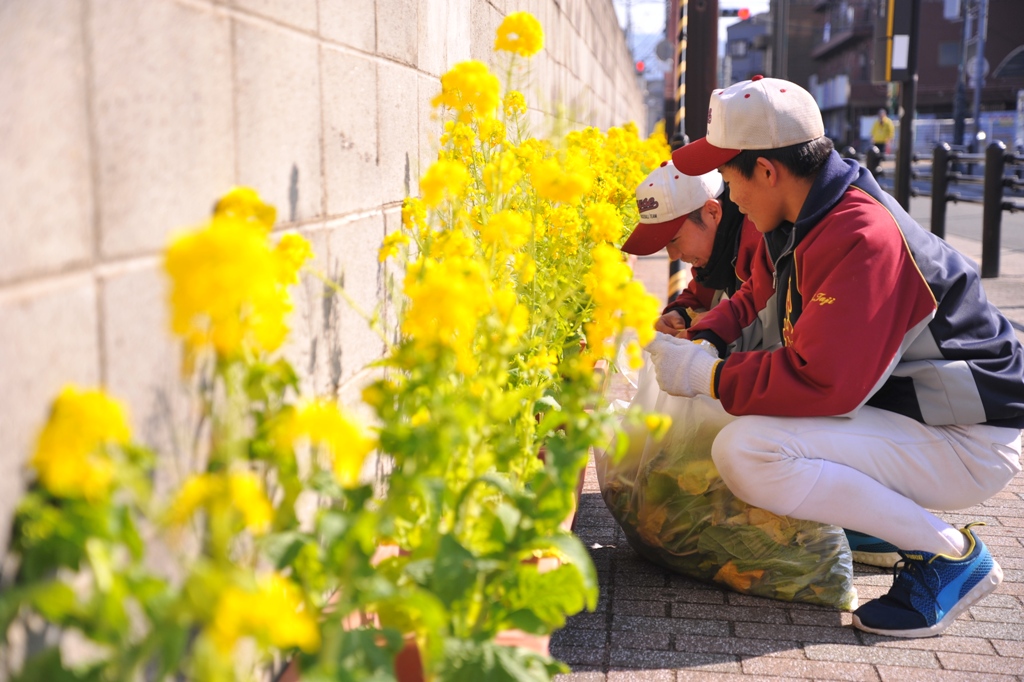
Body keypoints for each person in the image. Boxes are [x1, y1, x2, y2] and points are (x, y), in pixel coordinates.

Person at [647, 75, 1024, 638]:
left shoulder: (860, 234)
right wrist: (712, 340)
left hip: (971, 439)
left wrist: (707, 374)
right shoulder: (812, 209)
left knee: (750, 450)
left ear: (767, 171)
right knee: (749, 421)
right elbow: (759, 293)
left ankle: (950, 558)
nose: (729, 194)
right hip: (916, 415)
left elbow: (823, 382)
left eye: (728, 177)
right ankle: (880, 527)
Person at [620, 161, 761, 333]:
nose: (673, 255)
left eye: (674, 240)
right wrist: (680, 314)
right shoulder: (717, 254)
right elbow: (700, 295)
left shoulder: (761, 248)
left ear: (713, 212)